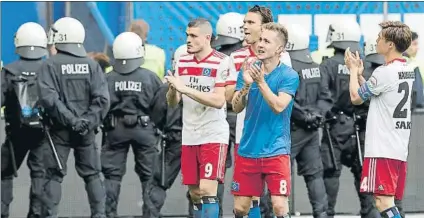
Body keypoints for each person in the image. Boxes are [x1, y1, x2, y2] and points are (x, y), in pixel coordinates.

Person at [37, 17, 110, 218]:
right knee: (93, 175)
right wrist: (86, 122)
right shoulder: (92, 65)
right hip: (86, 131)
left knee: (53, 176)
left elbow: (49, 99)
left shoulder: (49, 66)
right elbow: (102, 100)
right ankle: (100, 215)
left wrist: (71, 120)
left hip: (58, 131)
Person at [224, 6, 293, 217]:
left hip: (275, 144)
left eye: (251, 22)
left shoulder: (285, 66)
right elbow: (232, 102)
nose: (245, 26)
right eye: (244, 22)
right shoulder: (241, 61)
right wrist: (245, 86)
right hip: (247, 139)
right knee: (241, 207)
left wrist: (259, 80)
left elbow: (280, 103)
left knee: (279, 205)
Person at [346, 20, 414, 218]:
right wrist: (360, 77)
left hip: (382, 147)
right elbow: (378, 91)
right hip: (397, 146)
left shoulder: (384, 72)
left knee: (382, 201)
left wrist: (352, 71)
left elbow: (356, 98)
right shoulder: (406, 69)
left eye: (380, 38)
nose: (376, 41)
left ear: (390, 44)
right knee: (387, 200)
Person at [165, 18, 230, 218]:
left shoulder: (221, 61)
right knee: (194, 193)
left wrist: (185, 88)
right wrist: (173, 89)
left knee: (207, 191)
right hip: (190, 134)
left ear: (207, 37)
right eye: (187, 35)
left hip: (213, 133)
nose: (188, 40)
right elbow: (173, 102)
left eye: (193, 36)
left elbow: (219, 100)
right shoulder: (182, 59)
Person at [318, 19, 379, 218]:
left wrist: (330, 115)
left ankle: (328, 213)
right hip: (361, 127)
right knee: (364, 178)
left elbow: (322, 97)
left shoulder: (327, 64)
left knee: (331, 174)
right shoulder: (365, 64)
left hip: (335, 127)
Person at [100, 32, 162, 218]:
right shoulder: (150, 77)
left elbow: (100, 105)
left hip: (115, 130)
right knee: (149, 175)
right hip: (144, 129)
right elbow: (160, 106)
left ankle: (108, 214)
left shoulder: (108, 78)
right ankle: (150, 215)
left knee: (111, 176)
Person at [284, 23, 332, 218]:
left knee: (280, 176)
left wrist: (304, 116)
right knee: (314, 176)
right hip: (311, 130)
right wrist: (316, 116)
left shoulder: (288, 68)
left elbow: (286, 100)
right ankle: (321, 214)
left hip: (291, 129)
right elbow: (326, 97)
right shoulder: (315, 66)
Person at [1, 22, 48, 218]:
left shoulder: (9, 70)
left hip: (16, 134)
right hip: (43, 134)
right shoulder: (49, 69)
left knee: (4, 173)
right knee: (39, 175)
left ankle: (3, 211)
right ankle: (36, 214)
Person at [143, 44, 185, 218]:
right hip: (200, 139)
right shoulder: (207, 85)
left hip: (174, 141)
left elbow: (156, 115)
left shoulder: (166, 88)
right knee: (201, 188)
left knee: (158, 183)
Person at [210, 11, 244, 218]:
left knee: (217, 173)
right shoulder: (249, 55)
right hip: (241, 117)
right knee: (248, 172)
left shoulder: (216, 56)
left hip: (218, 116)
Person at [403, 32, 424, 109]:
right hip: (414, 114)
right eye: (414, 44)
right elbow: (418, 99)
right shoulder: (413, 66)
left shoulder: (391, 63)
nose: (417, 48)